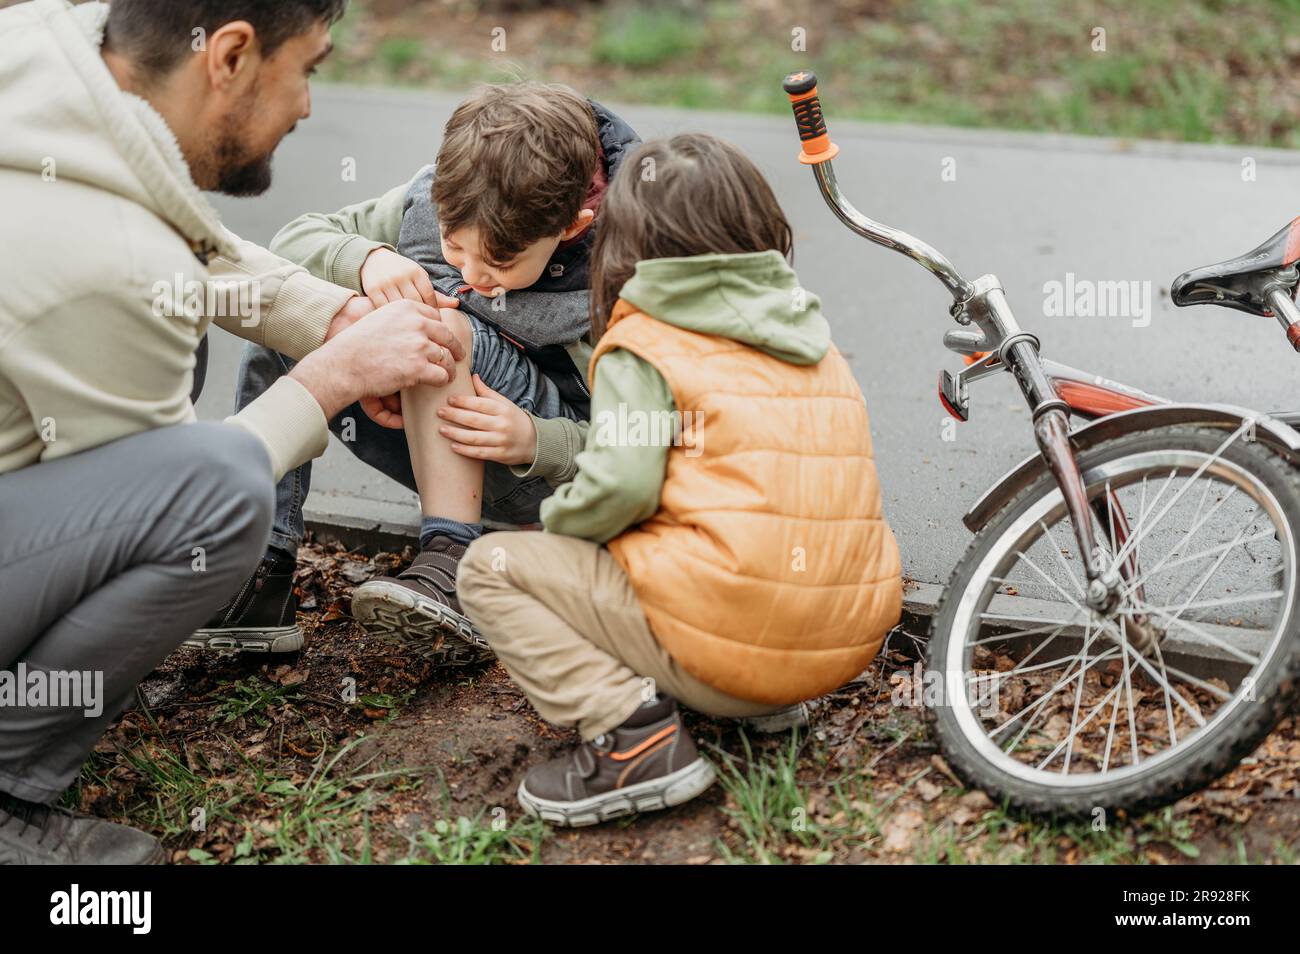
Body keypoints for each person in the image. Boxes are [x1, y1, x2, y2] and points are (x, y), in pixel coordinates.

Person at [0, 0, 463, 863]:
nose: (310, 108)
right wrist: (335, 378)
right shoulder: (114, 265)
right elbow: (182, 481)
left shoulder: (45, 45)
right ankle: (8, 790)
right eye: (311, 68)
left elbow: (176, 243)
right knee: (220, 495)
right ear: (233, 57)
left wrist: (336, 317)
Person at [456, 134, 904, 827]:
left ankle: (633, 742)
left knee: (492, 566)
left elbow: (620, 488)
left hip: (727, 650)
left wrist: (561, 538)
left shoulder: (649, 344)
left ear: (626, 245)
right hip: (835, 647)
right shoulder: (811, 340)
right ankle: (769, 700)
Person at [194, 82, 641, 665]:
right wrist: (368, 259)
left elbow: (647, 443)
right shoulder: (444, 195)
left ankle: (452, 564)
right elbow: (294, 242)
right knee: (310, 317)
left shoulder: (625, 272)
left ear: (574, 227)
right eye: (455, 249)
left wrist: (536, 439)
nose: (474, 276)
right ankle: (261, 569)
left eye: (501, 262)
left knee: (438, 327)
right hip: (440, 441)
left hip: (551, 474)